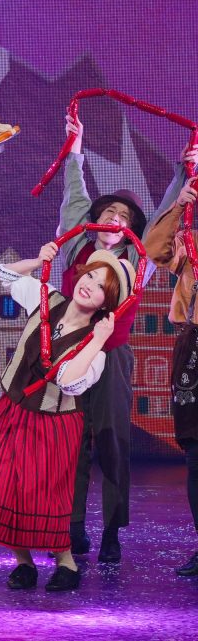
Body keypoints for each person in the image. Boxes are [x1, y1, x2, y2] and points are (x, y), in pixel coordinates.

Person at [59, 118, 192, 562]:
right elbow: (74, 195)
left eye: (123, 216)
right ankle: (73, 526)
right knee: (72, 443)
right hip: (69, 354)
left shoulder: (137, 256)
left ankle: (112, 530)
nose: (115, 220)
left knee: (113, 441)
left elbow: (162, 218)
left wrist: (183, 171)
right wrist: (75, 148)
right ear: (94, 221)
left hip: (112, 355)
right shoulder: (75, 246)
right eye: (108, 213)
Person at [0, 242, 134, 592]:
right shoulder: (48, 299)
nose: (90, 285)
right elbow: (5, 275)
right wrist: (37, 261)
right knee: (5, 485)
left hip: (53, 423)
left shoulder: (97, 349)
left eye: (102, 286)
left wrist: (98, 340)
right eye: (91, 276)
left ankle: (66, 562)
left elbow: (68, 381)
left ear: (108, 303)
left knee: (46, 494)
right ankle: (23, 562)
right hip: (12, 409)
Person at [142, 170, 198, 577]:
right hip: (194, 347)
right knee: (196, 454)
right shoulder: (191, 241)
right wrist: (179, 205)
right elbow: (154, 249)